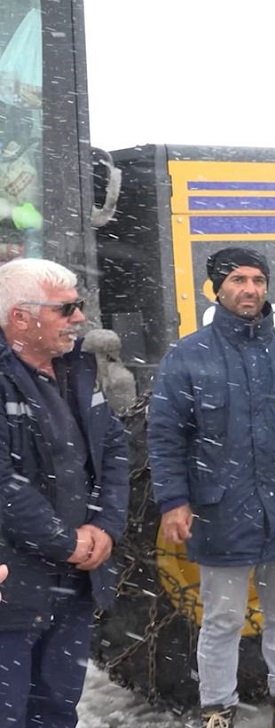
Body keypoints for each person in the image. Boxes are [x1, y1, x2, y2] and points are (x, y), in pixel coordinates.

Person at [147, 247, 275, 728]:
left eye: (257, 280)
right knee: (221, 620)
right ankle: (218, 709)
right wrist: (173, 500)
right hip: (221, 510)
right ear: (217, 288)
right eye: (237, 279)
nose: (250, 289)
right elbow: (165, 434)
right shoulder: (189, 356)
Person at [0, 258, 129, 728]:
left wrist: (104, 525)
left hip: (71, 588)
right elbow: (4, 485)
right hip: (11, 593)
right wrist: (66, 541)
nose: (79, 317)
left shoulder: (77, 370)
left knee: (56, 711)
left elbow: (113, 447)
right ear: (20, 318)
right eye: (66, 308)